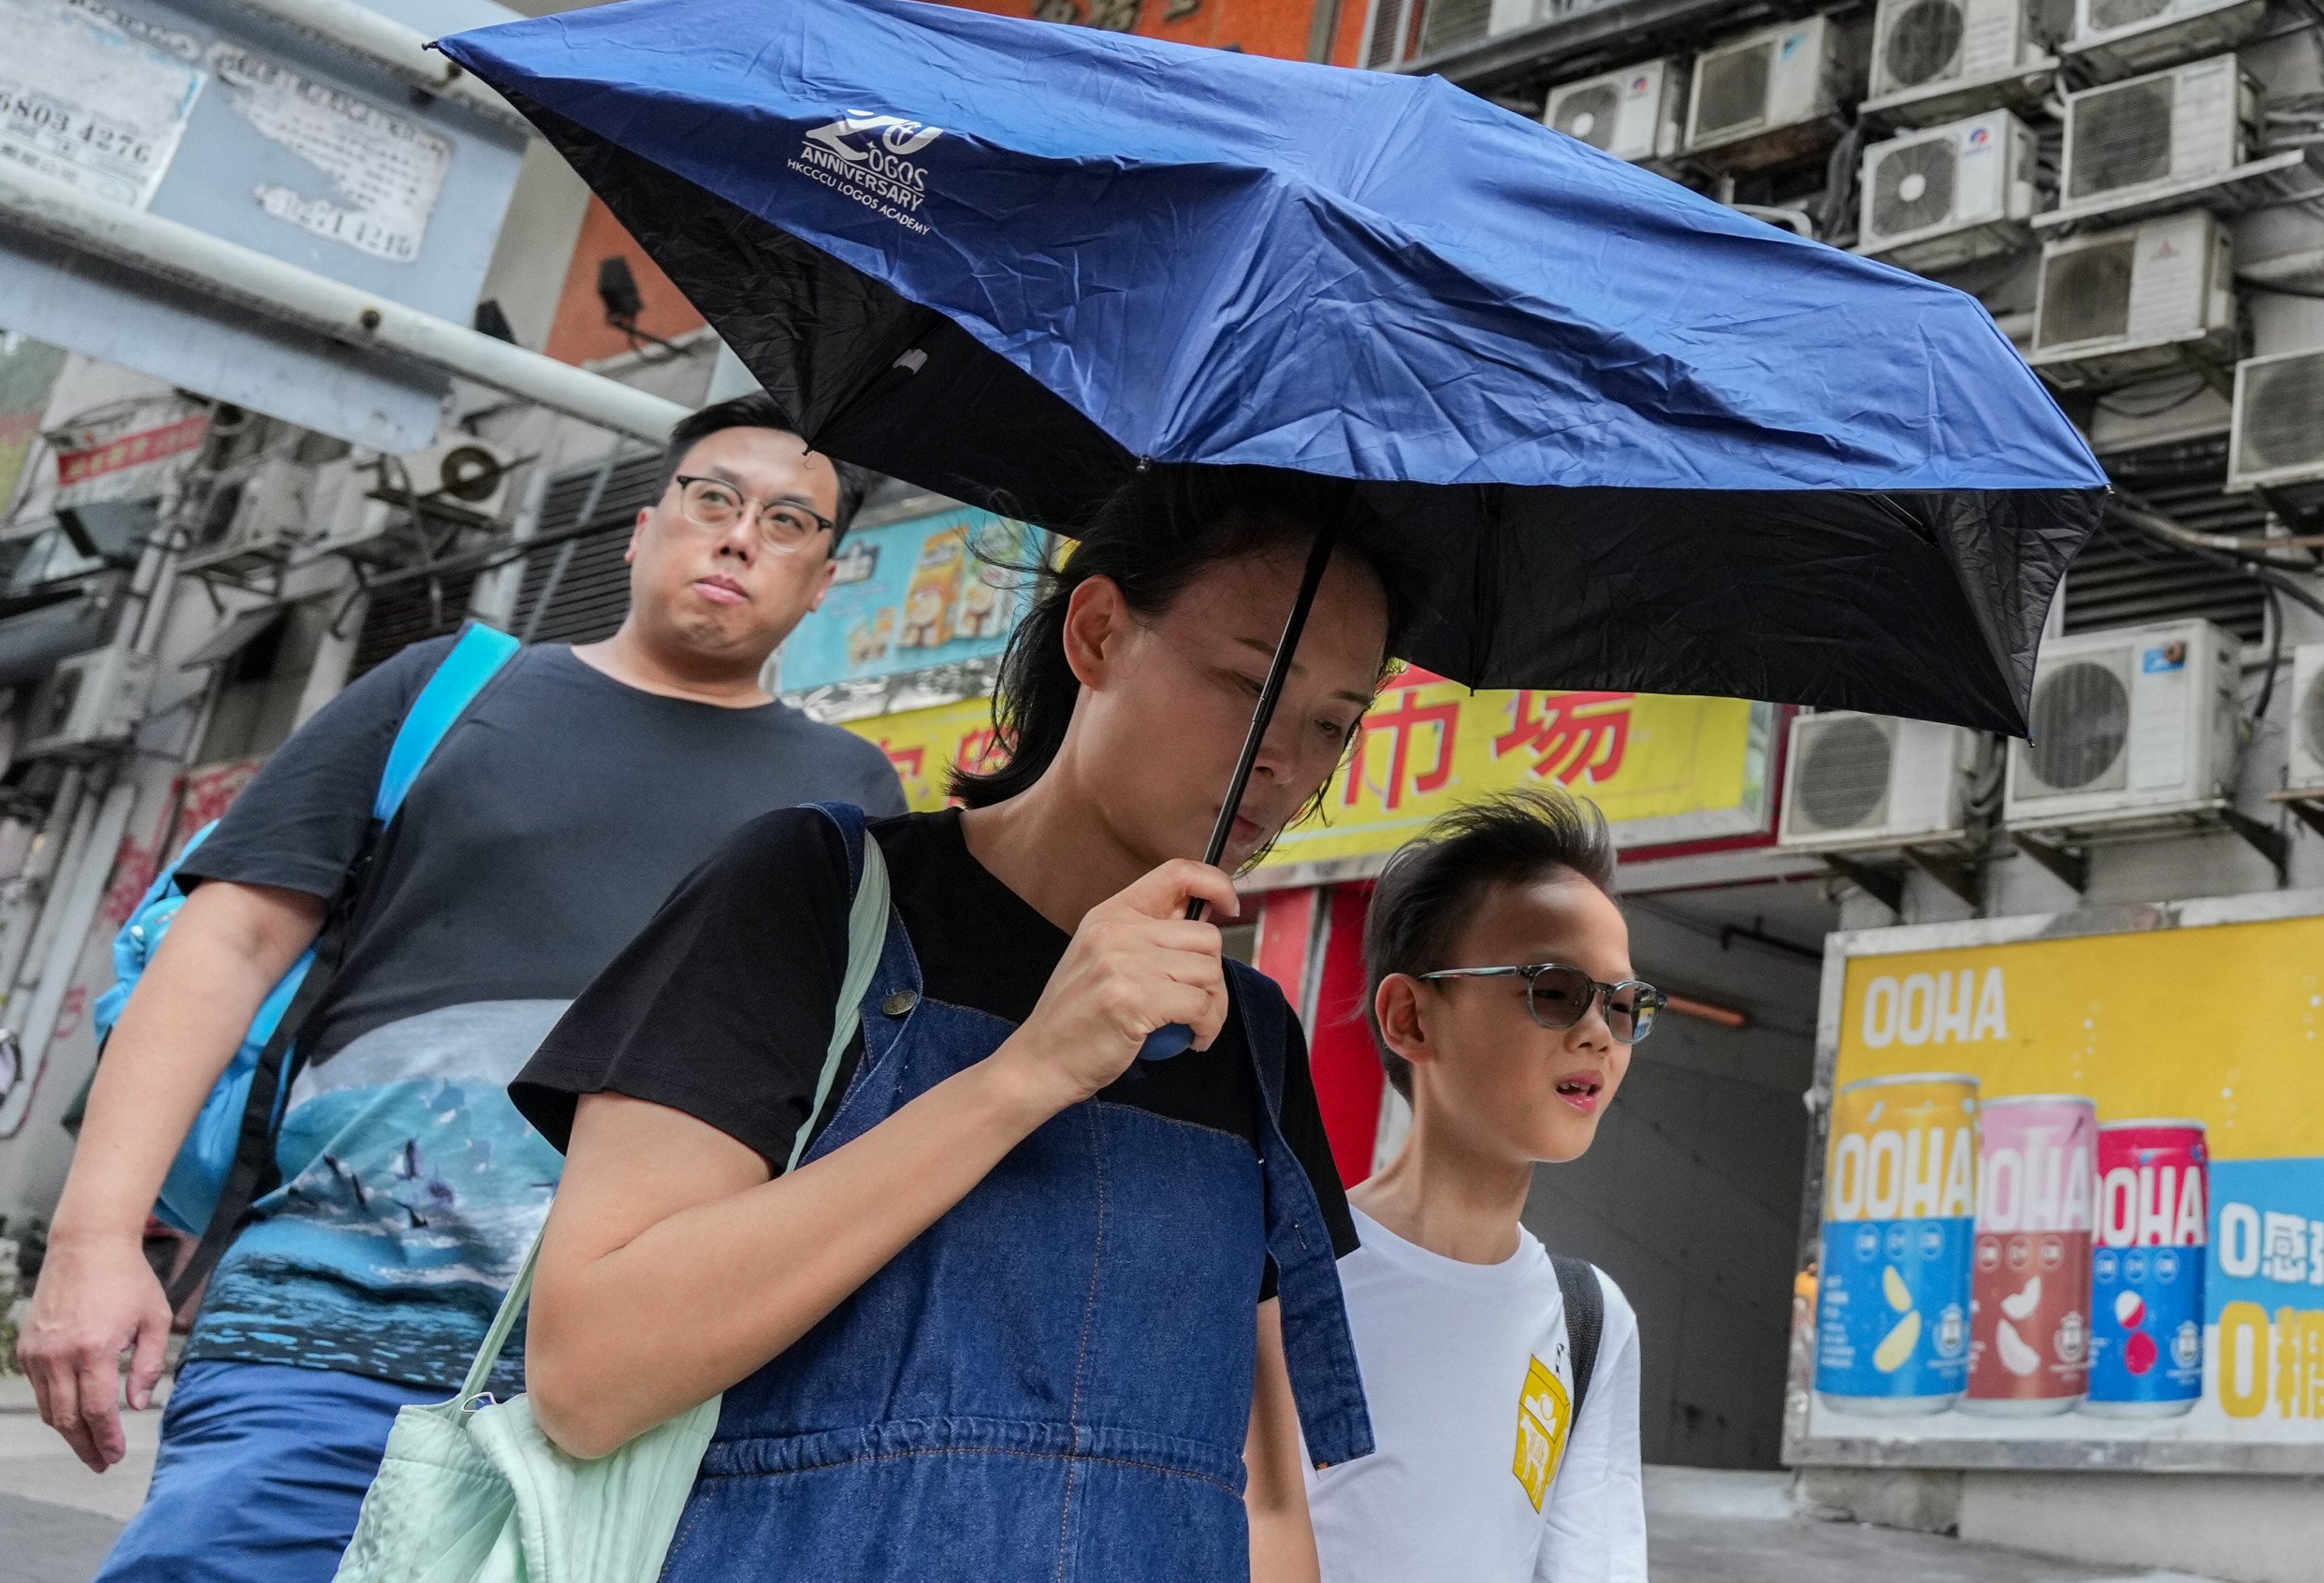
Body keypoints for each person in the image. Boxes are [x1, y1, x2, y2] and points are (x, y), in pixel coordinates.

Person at [19, 393, 905, 1583]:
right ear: (640, 530)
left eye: (789, 520)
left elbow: (854, 1090)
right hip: (325, 1345)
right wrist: (90, 1239)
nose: (742, 535)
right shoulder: (451, 691)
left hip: (630, 1405)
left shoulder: (851, 796)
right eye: (714, 498)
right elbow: (222, 947)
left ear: (822, 579)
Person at [506, 464, 1387, 1580]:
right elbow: (588, 1368)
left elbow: (1261, 1496)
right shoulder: (819, 894)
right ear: (1101, 633)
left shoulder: (1248, 1038)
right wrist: (1024, 1074)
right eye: (1251, 687)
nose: (1285, 762)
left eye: (1333, 726)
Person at [1317, 789, 1649, 1583]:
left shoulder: (1591, 1319)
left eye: (1623, 1004)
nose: (1598, 1032)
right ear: (1411, 1018)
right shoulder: (1282, 1274)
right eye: (1555, 990)